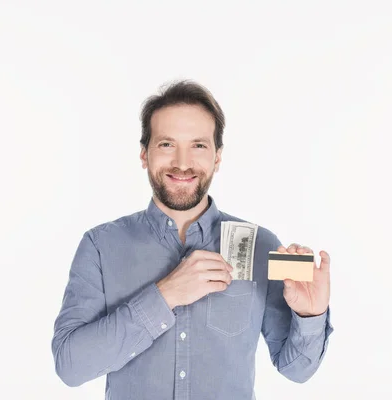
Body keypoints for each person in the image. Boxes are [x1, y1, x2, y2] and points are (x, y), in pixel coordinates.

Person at [51, 80, 334, 400]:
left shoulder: (262, 245)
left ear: (217, 157)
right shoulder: (100, 246)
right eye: (167, 144)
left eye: (198, 145)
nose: (183, 163)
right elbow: (70, 367)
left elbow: (296, 371)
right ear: (144, 154)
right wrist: (165, 295)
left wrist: (310, 316)